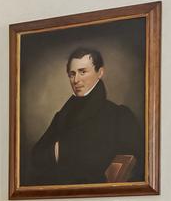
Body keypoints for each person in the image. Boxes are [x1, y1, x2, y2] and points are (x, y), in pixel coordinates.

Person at [24, 46, 143, 186]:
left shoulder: (119, 116)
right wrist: (64, 151)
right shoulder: (62, 116)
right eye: (72, 74)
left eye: (83, 72)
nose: (76, 80)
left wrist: (62, 150)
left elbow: (129, 166)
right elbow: (37, 156)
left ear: (100, 72)